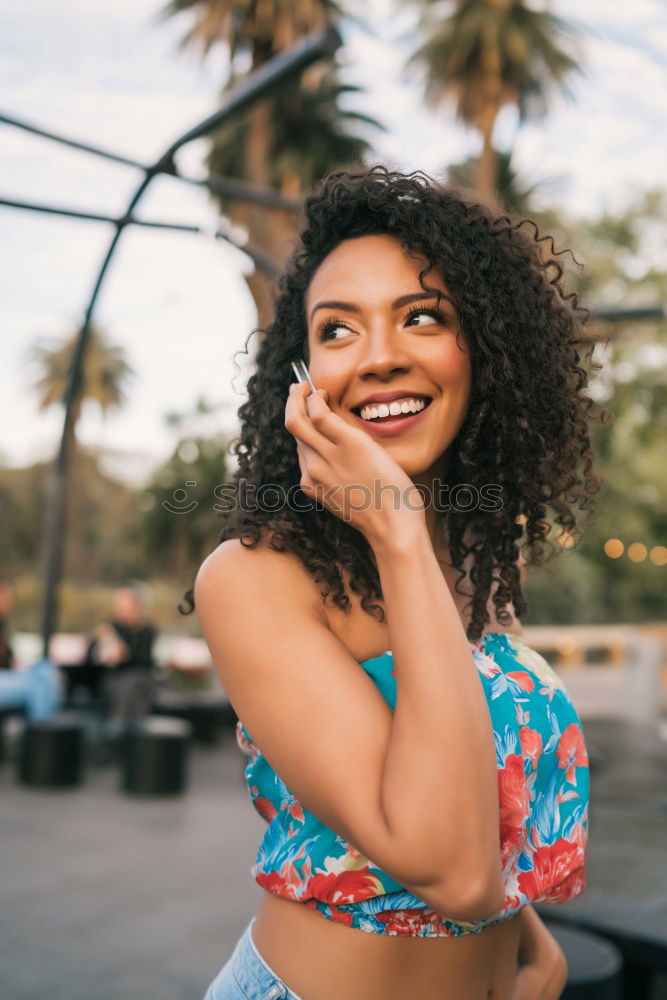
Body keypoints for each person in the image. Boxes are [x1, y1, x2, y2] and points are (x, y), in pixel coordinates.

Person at [185, 166, 607, 1000]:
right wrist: (396, 530)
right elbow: (450, 875)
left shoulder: (464, 561)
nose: (377, 357)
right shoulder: (253, 579)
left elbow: (460, 771)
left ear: (484, 348)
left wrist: (528, 940)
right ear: (302, 376)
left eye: (420, 317)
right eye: (337, 330)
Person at [88, 585, 157, 736]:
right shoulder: (110, 628)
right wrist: (98, 641)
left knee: (132, 683)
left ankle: (117, 726)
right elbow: (92, 659)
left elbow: (145, 661)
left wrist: (126, 655)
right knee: (127, 687)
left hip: (138, 679)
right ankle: (130, 730)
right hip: (113, 680)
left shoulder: (146, 630)